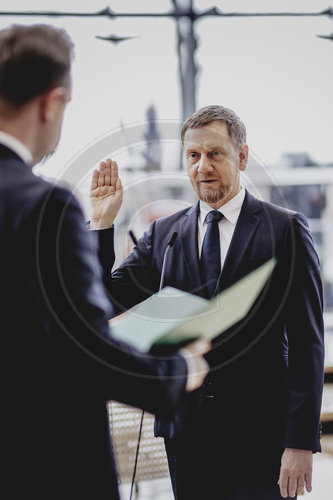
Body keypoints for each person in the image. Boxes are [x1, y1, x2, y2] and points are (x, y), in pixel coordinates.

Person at [0, 24, 211, 499]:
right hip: (40, 461)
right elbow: (86, 344)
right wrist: (180, 370)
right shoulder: (41, 205)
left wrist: (100, 226)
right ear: (51, 103)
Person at [90, 105, 325, 499]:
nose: (203, 167)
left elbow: (308, 342)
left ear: (242, 157)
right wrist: (101, 226)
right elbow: (104, 302)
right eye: (193, 156)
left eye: (215, 154)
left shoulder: (284, 229)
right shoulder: (163, 234)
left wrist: (299, 442)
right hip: (187, 433)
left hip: (261, 435)